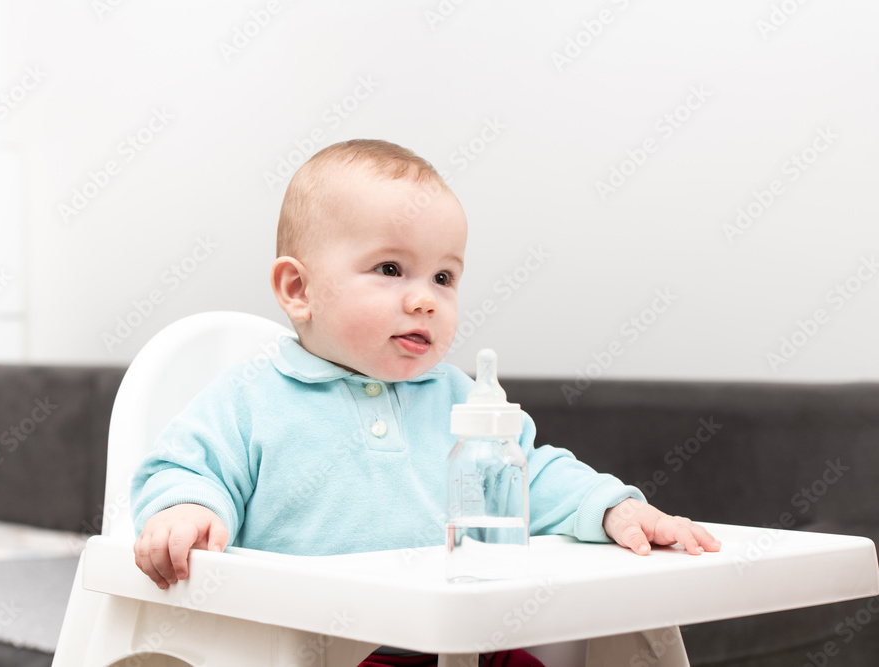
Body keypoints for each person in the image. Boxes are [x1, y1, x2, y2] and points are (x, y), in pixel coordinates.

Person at [130, 139, 720, 666]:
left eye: (444, 277)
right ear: (299, 289)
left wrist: (610, 508)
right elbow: (184, 468)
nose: (426, 300)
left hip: (465, 641)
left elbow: (530, 475)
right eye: (391, 269)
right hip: (319, 647)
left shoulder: (458, 398)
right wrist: (187, 509)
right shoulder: (250, 397)